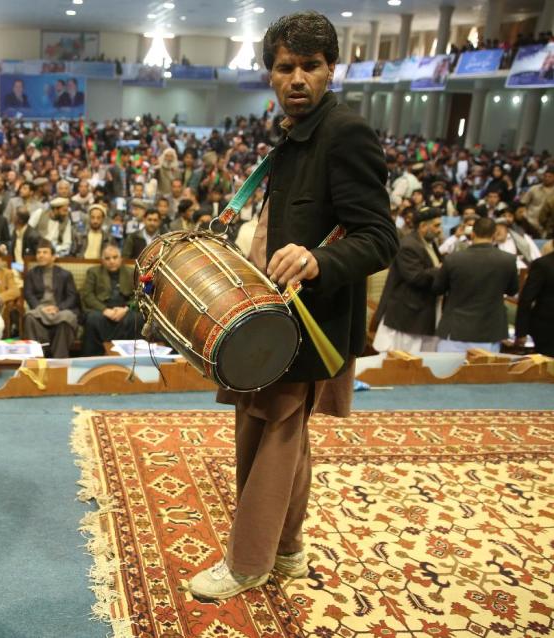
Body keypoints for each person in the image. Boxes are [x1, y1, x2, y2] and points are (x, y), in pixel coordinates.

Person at [187, 11, 397, 600]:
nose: (297, 78)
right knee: (287, 436)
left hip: (307, 322)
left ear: (332, 70)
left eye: (310, 66)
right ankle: (289, 549)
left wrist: (315, 262)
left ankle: (248, 563)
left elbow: (380, 237)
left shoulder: (345, 132)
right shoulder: (293, 137)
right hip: (274, 313)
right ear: (270, 74)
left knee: (270, 435)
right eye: (285, 67)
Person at [432, 217, 519, 353]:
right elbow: (512, 290)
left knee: (448, 373)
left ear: (472, 234)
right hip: (489, 330)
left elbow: (438, 288)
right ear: (494, 235)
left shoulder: (453, 259)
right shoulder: (508, 260)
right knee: (484, 374)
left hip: (455, 329)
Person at [372, 208, 443, 353]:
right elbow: (415, 277)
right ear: (423, 226)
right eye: (436, 225)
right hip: (407, 314)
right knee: (402, 360)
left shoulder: (430, 243)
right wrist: (443, 268)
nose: (440, 230)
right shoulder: (408, 245)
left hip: (423, 311)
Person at [80, 243, 143, 356]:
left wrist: (126, 309)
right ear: (102, 260)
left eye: (115, 257)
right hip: (101, 309)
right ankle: (95, 356)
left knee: (136, 319)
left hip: (124, 308)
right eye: (107, 258)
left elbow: (139, 295)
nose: (112, 261)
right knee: (92, 319)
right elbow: (87, 295)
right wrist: (104, 310)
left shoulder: (131, 272)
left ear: (121, 258)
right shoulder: (93, 272)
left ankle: (129, 355)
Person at [22, 240, 80, 358]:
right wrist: (41, 308)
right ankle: (36, 357)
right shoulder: (31, 274)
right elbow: (28, 294)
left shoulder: (65, 274)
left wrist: (58, 308)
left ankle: (59, 360)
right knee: (29, 317)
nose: (41, 255)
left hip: (59, 311)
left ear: (53, 257)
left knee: (67, 318)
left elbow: (72, 296)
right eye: (38, 253)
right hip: (40, 311)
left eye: (45, 252)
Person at [515, 251, 554, 356]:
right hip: (547, 331)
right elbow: (526, 299)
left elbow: (526, 298)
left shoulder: (543, 263)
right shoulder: (543, 264)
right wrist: (521, 331)